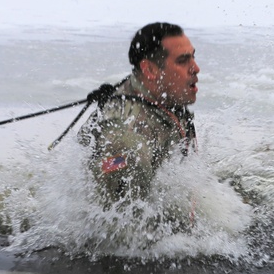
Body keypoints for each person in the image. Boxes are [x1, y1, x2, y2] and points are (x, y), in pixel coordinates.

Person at [78, 22, 200, 205]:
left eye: (193, 57)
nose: (195, 68)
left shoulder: (163, 98)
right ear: (150, 70)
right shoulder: (126, 127)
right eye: (183, 61)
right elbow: (110, 165)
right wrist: (123, 160)